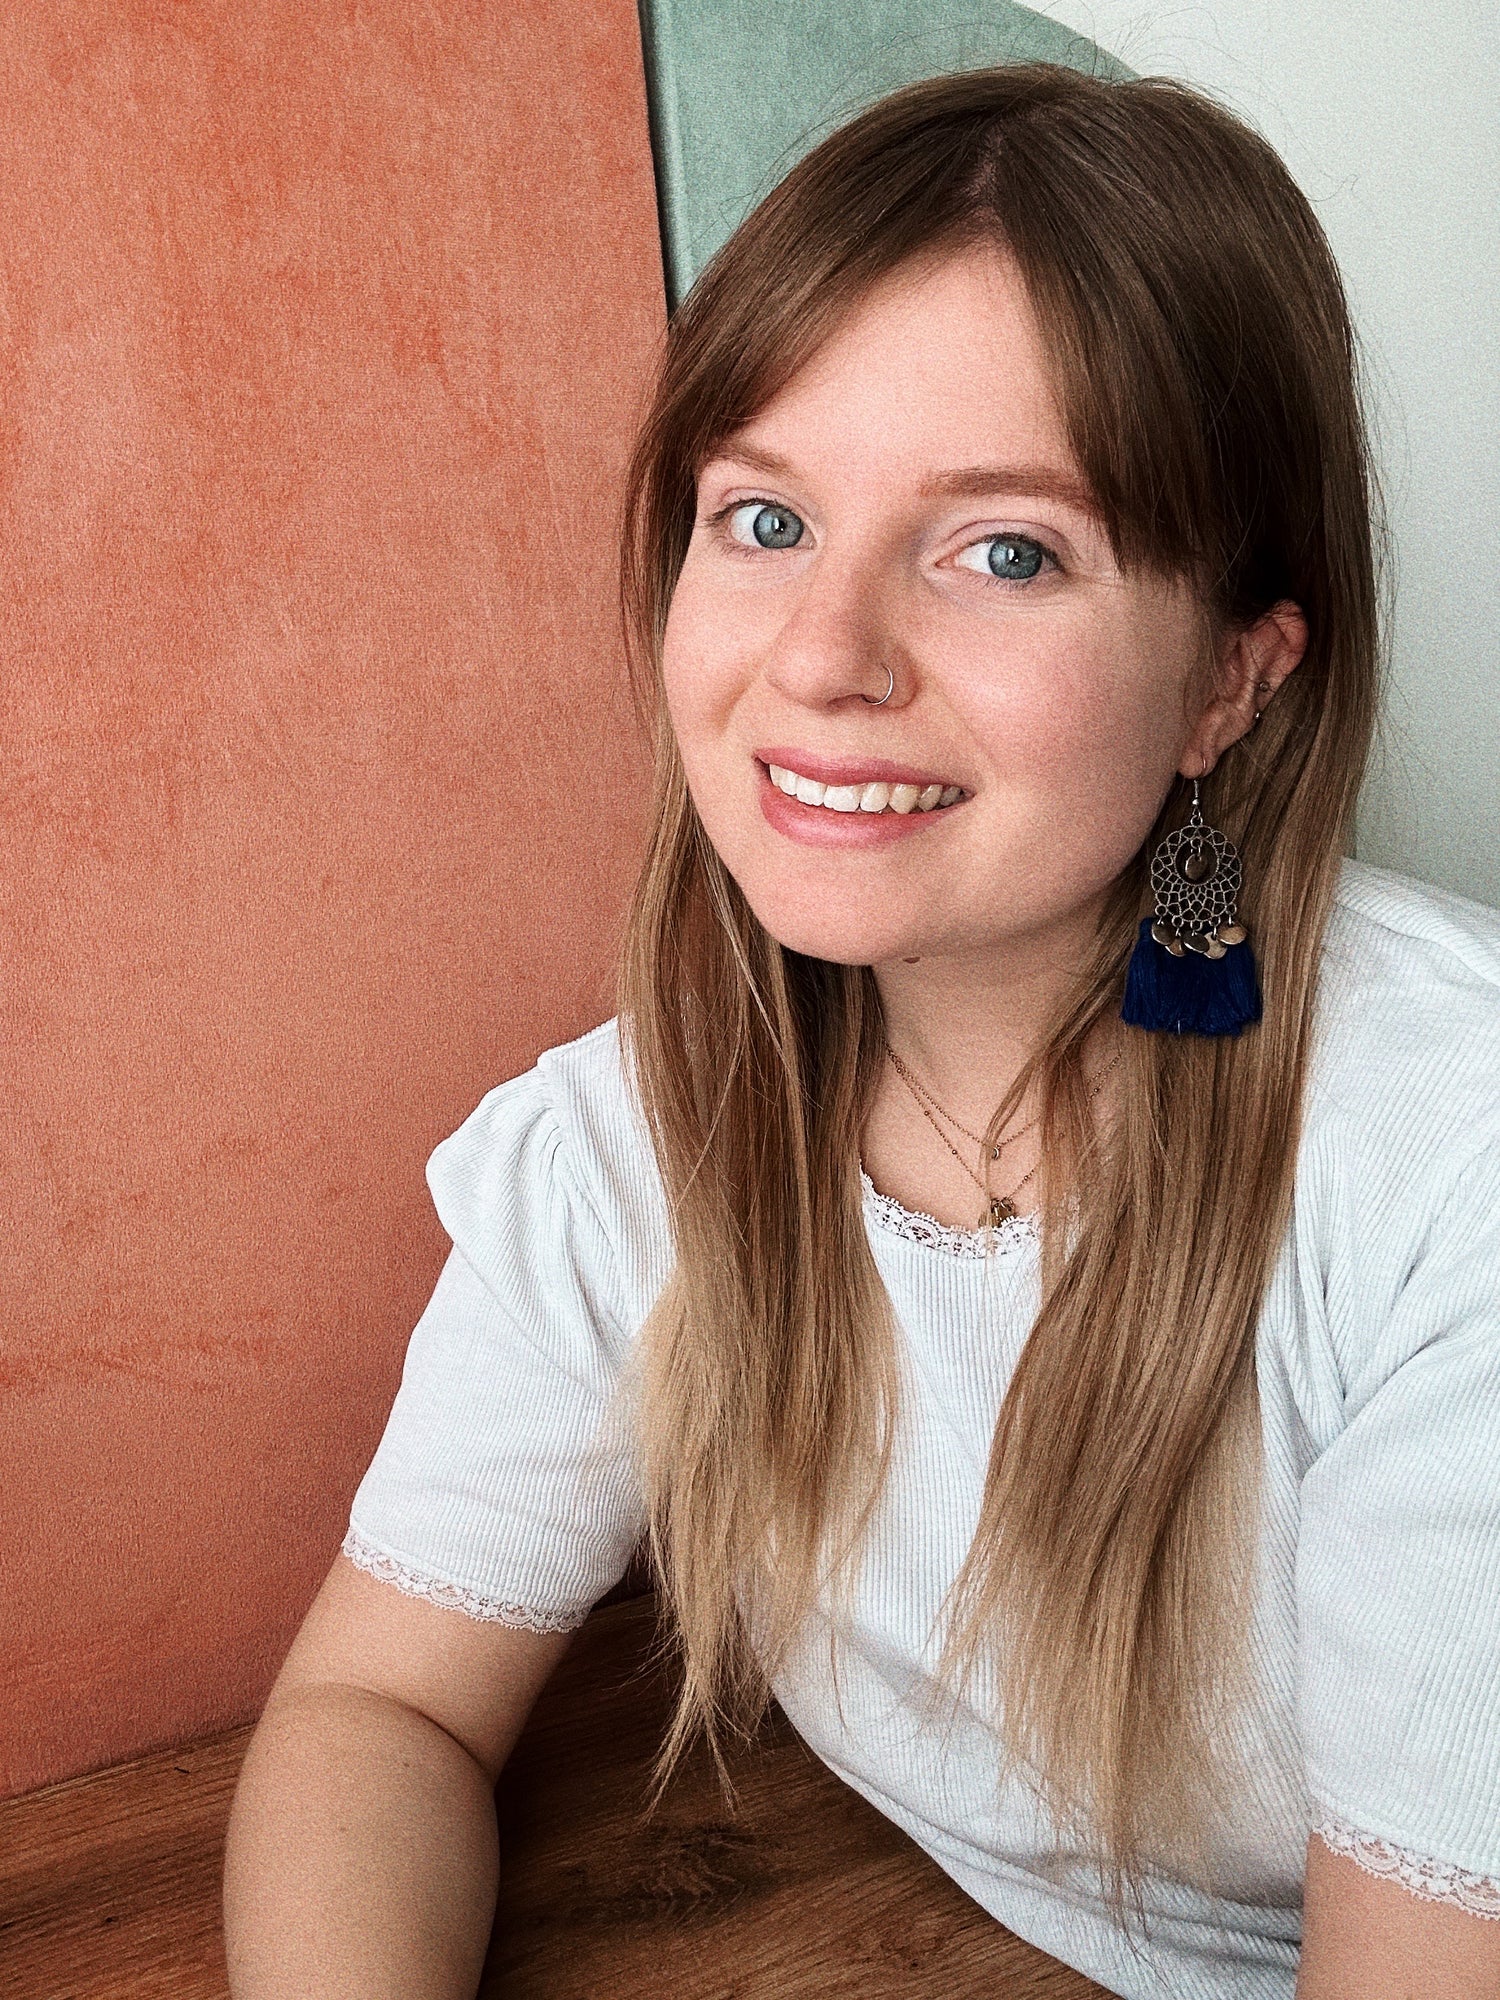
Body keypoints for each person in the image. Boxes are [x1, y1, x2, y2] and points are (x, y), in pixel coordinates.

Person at [222, 63, 1500, 2000]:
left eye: (1006, 551)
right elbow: (378, 1708)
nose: (821, 658)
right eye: (764, 517)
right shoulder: (625, 1147)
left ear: (1232, 680)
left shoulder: (1450, 1178)